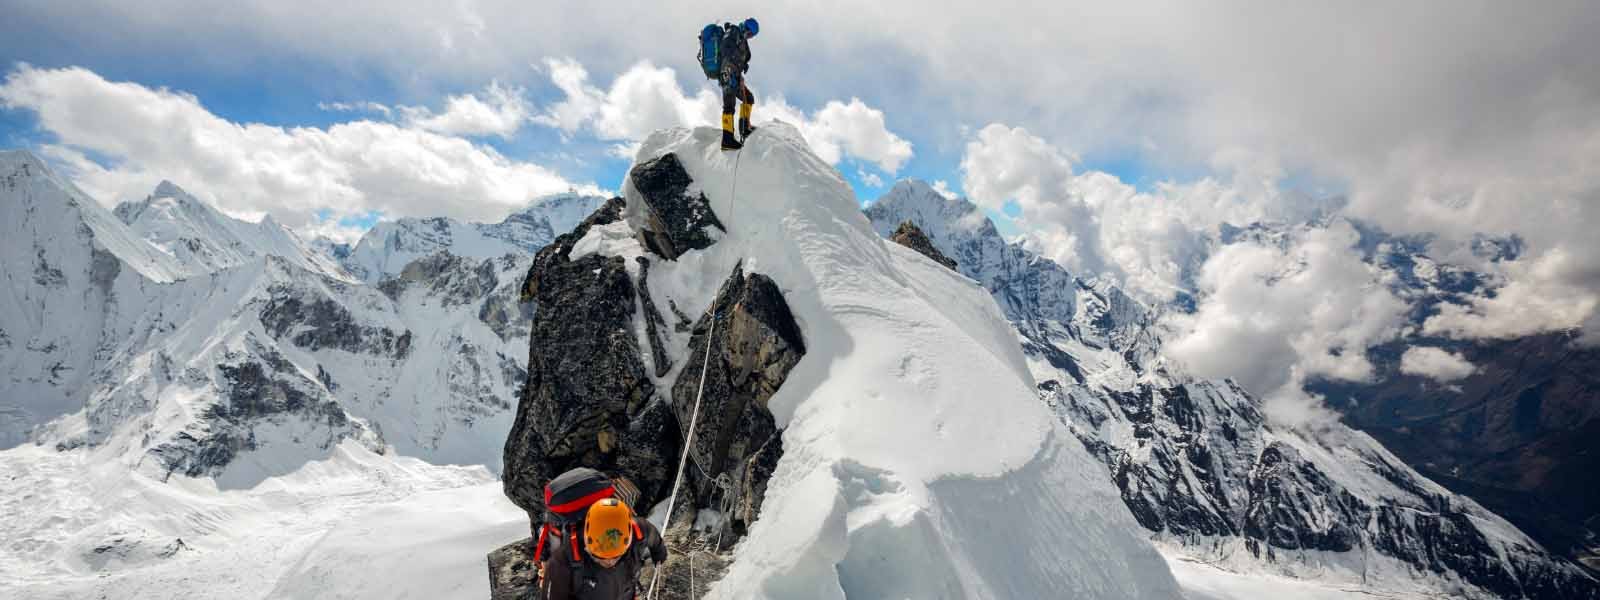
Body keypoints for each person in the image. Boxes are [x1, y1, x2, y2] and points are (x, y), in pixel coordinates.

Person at [539, 497, 668, 600]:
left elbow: (655, 539)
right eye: (598, 557)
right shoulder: (562, 561)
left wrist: (660, 556)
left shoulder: (639, 530)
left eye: (616, 557)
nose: (609, 562)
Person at [718, 18, 760, 150]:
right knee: (729, 105)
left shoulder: (742, 40)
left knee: (749, 98)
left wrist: (743, 66)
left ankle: (744, 127)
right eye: (749, 33)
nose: (749, 36)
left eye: (751, 35)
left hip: (735, 74)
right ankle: (727, 139)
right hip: (727, 73)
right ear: (745, 27)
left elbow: (740, 56)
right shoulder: (732, 32)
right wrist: (736, 67)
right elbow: (725, 49)